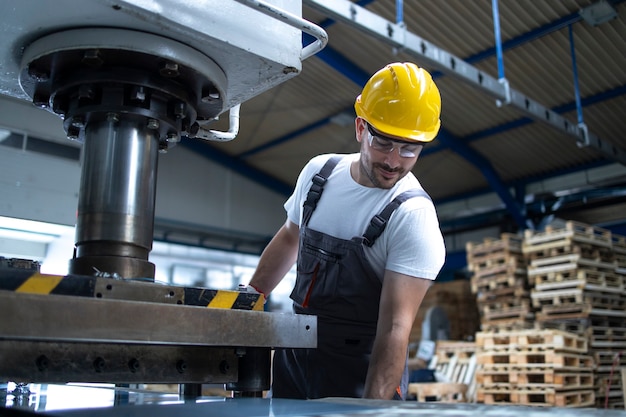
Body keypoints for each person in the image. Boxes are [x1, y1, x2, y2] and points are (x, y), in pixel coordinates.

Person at [245, 62, 446, 400]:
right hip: (295, 358)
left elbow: (395, 328)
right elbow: (290, 237)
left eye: (409, 148)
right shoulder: (318, 175)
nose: (395, 161)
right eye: (383, 142)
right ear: (360, 128)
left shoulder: (412, 216)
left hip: (360, 371)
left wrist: (371, 408)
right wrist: (248, 301)